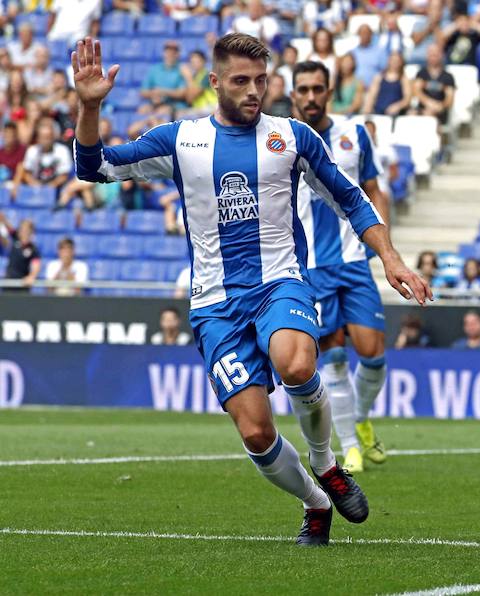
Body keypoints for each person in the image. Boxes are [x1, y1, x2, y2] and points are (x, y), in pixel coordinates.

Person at [72, 34, 430, 546]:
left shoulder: (292, 136)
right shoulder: (181, 139)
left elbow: (350, 197)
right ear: (214, 82)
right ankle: (315, 500)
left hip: (280, 283)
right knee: (257, 434)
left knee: (298, 363)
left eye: (261, 80)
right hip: (215, 306)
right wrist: (89, 107)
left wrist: (391, 259)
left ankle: (327, 463)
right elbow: (94, 167)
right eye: (241, 81)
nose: (253, 91)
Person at [292, 61, 395, 476]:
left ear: (329, 90)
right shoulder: (279, 139)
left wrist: (384, 245)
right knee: (332, 356)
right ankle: (351, 447)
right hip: (313, 268)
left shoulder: (354, 135)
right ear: (294, 94)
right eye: (304, 89)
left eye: (318, 88)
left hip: (354, 261)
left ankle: (359, 418)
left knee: (372, 354)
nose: (312, 96)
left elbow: (373, 191)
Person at [11, 119, 73, 200]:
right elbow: (26, 173)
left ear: (53, 136)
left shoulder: (62, 151)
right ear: (38, 138)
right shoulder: (32, 150)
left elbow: (64, 176)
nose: (46, 140)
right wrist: (35, 184)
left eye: (48, 137)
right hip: (35, 189)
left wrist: (50, 186)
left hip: (58, 190)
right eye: (43, 137)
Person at [140, 40, 188, 114]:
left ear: (178, 54)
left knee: (163, 111)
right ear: (164, 53)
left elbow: (182, 93)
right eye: (168, 51)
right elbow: (143, 91)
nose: (170, 54)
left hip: (174, 105)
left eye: (174, 52)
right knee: (142, 110)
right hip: (155, 104)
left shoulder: (182, 69)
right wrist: (154, 94)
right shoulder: (154, 69)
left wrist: (163, 92)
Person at [413, 44, 455, 124]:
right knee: (411, 114)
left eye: (435, 55)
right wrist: (428, 103)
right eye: (431, 54)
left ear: (441, 55)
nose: (433, 57)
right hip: (423, 108)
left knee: (429, 115)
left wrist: (440, 106)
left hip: (440, 111)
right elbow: (416, 91)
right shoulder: (421, 74)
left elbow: (450, 98)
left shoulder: (448, 77)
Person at [363, 52, 412, 116]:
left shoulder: (403, 79)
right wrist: (367, 108)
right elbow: (372, 95)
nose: (395, 63)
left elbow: (407, 99)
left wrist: (397, 106)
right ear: (388, 61)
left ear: (401, 62)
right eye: (393, 60)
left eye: (397, 61)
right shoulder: (379, 77)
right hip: (378, 112)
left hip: (395, 114)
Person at [0, 215, 40, 292]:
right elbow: (7, 225)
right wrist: (3, 219)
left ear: (32, 232)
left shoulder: (33, 249)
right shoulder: (15, 238)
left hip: (22, 285)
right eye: (23, 229)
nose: (25, 232)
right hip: (9, 283)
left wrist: (32, 276)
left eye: (28, 230)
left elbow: (36, 265)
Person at [351, 24, 388, 89]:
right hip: (356, 89)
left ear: (371, 35)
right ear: (358, 35)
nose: (365, 36)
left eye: (367, 33)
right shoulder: (352, 53)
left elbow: (385, 70)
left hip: (375, 89)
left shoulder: (380, 51)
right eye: (362, 33)